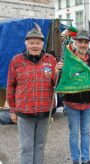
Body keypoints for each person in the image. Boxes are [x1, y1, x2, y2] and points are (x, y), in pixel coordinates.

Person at [6, 23, 57, 164]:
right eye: (31, 43)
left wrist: (60, 73)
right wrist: (12, 110)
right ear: (26, 44)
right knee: (26, 147)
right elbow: (10, 87)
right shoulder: (16, 61)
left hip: (44, 112)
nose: (35, 46)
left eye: (38, 43)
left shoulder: (51, 60)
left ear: (42, 44)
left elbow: (56, 84)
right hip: (24, 112)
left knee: (40, 146)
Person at [55, 29, 90, 164]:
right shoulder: (68, 58)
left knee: (85, 132)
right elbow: (62, 80)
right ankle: (75, 159)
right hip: (72, 104)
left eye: (86, 42)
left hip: (88, 103)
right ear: (76, 42)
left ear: (88, 44)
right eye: (81, 42)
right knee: (74, 133)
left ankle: (85, 158)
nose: (83, 45)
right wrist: (58, 70)